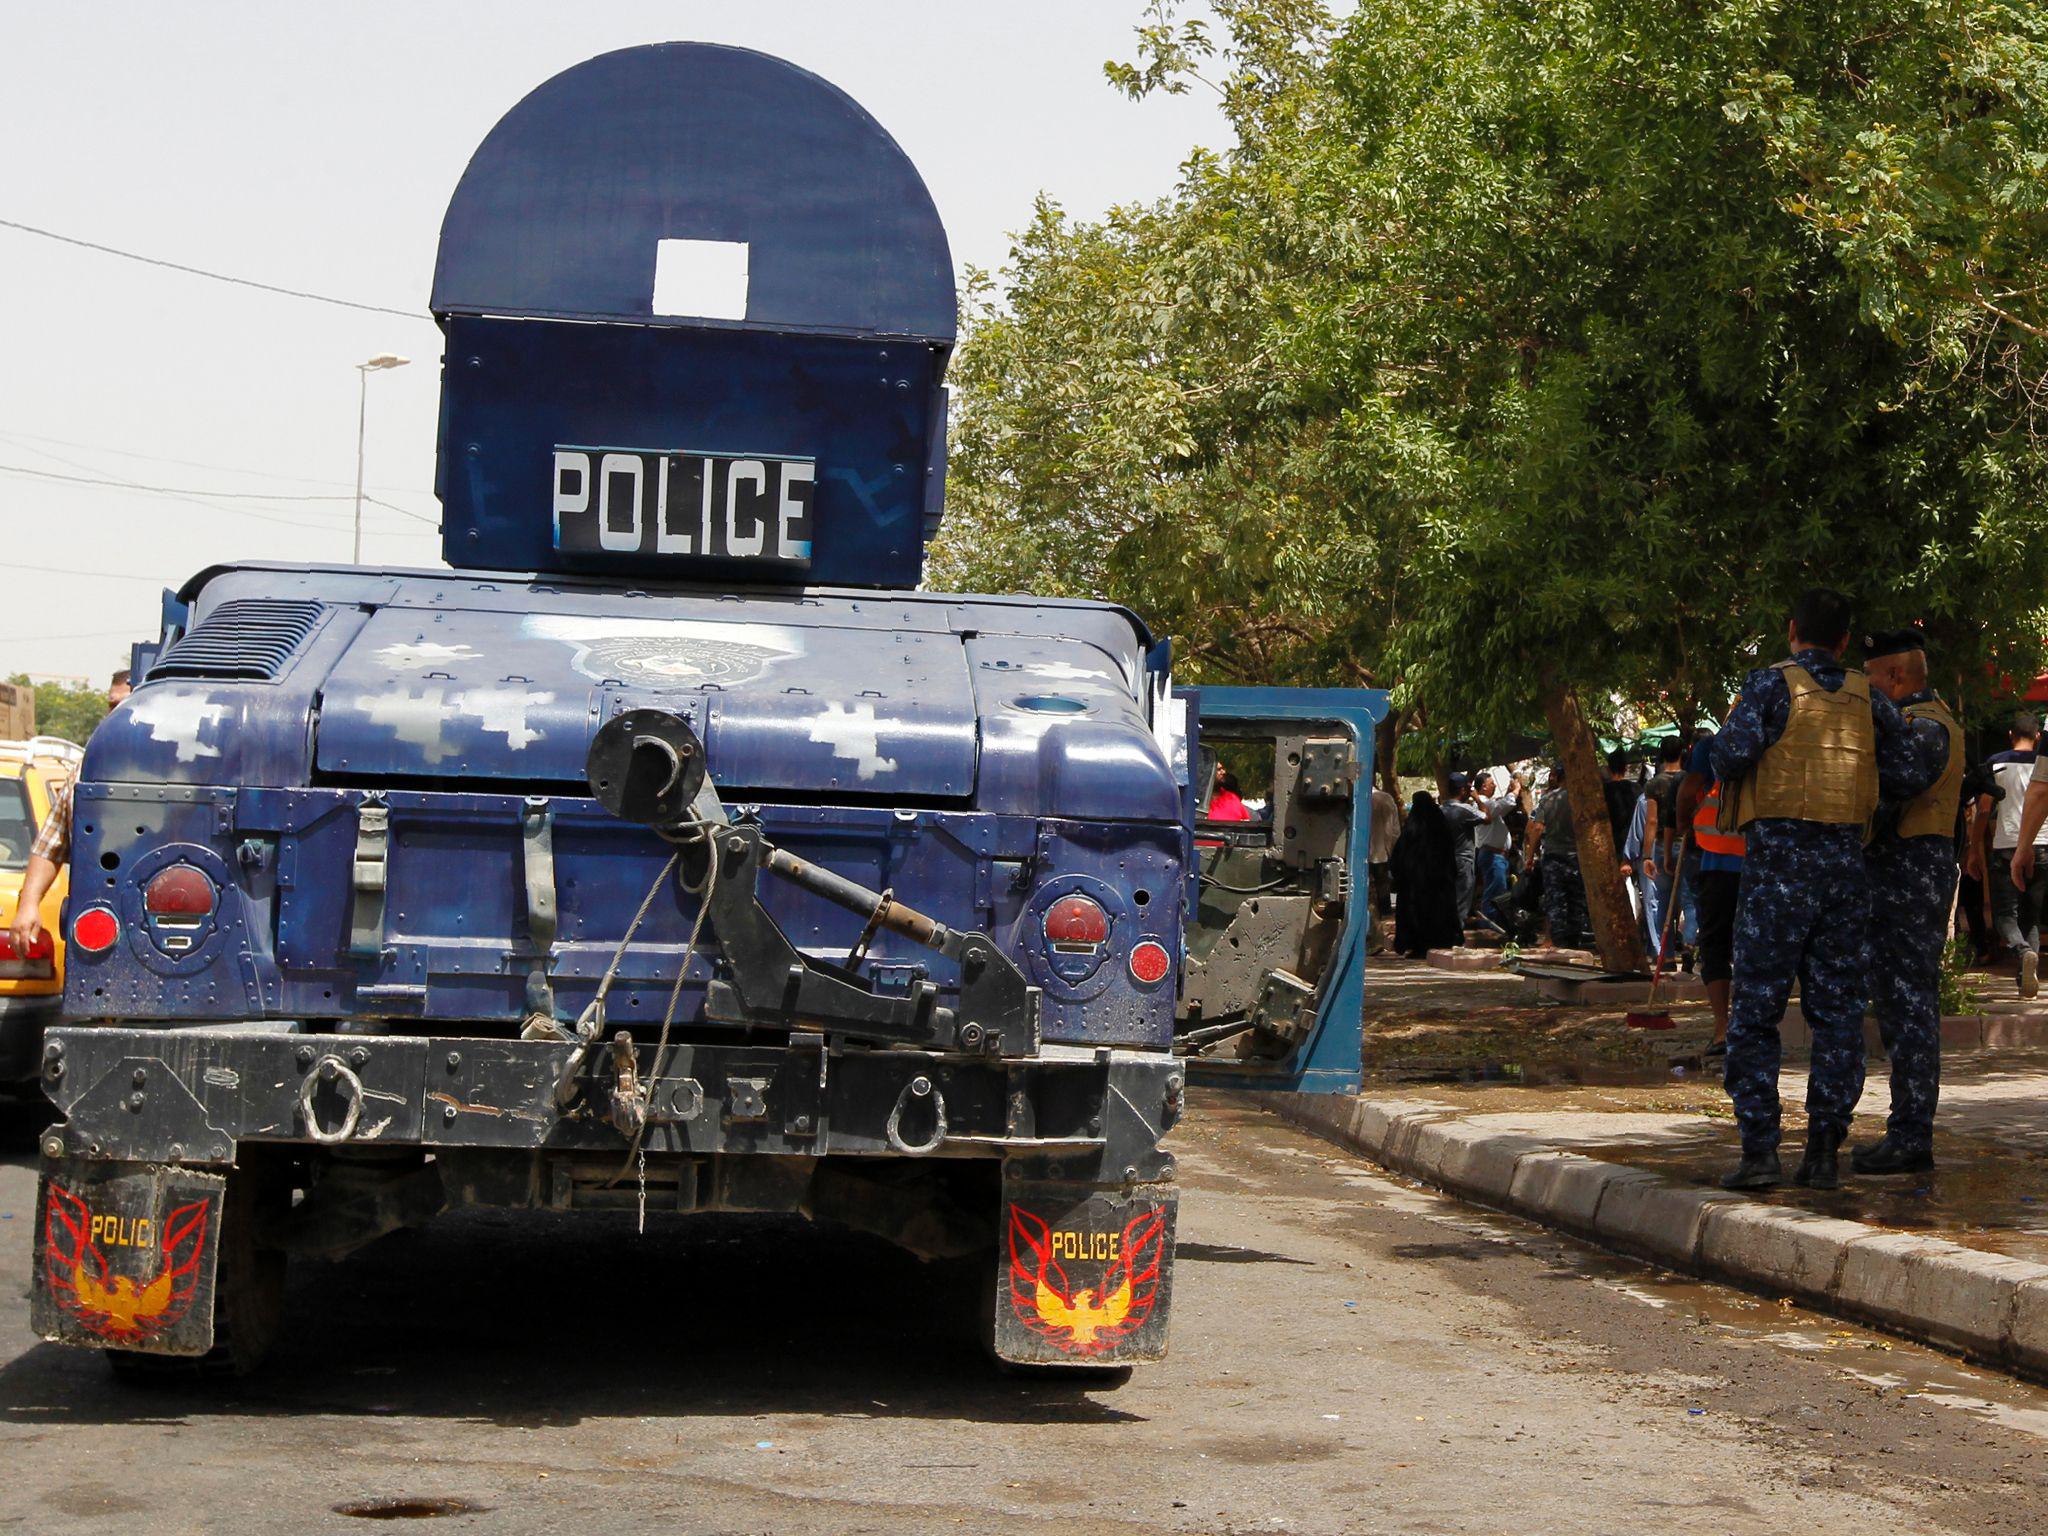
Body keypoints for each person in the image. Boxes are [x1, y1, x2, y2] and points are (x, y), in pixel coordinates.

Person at [1709, 588, 1937, 1192]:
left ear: (1792, 630)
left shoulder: (1768, 685)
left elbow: (1729, 758)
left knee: (1756, 1011)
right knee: (1836, 1014)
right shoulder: (1868, 697)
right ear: (1843, 641)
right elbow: (1913, 771)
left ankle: (1760, 1152)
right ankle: (1822, 1153)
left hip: (1777, 876)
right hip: (1844, 871)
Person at [1854, 628, 1962, 1175]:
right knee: (1898, 1009)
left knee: (1911, 1009)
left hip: (1910, 876)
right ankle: (1905, 1129)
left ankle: (1912, 1133)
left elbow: (1898, 780)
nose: (1867, 688)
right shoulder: (1917, 721)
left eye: (1872, 677)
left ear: (1895, 676)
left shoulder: (1926, 727)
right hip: (1901, 877)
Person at [8, 671, 127, 956]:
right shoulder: (84, 769)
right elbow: (50, 844)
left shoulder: (181, 765)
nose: (118, 713)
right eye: (113, 705)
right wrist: (28, 905)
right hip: (96, 923)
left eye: (128, 702)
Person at [1677, 721, 1744, 1052]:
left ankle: (1722, 1027)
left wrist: (1681, 822)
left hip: (1719, 861)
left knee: (1716, 944)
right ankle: (1747, 1026)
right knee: (1756, 946)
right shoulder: (1778, 746)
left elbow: (1689, 791)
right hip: (1765, 863)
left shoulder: (1712, 747)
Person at [1969, 715, 2047, 997]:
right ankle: (2029, 974)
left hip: (2007, 845)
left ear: (2011, 734)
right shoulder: (2044, 761)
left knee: (2004, 916)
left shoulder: (1996, 762)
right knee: (2032, 917)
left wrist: (1975, 848)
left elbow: (1985, 810)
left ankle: (2022, 951)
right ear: (2038, 736)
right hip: (2043, 846)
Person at [1524, 765, 1590, 950]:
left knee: (1555, 900)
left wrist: (1530, 856)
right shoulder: (1581, 799)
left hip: (1553, 857)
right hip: (1576, 857)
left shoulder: (1547, 799)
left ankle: (1558, 940)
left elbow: (1537, 828)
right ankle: (1574, 940)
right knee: (1576, 899)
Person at [1389, 791, 1462, 958]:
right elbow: (1449, 852)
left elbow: (1401, 853)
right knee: (1439, 911)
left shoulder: (1412, 826)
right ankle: (1441, 941)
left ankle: (1418, 946)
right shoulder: (1440, 824)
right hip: (1439, 881)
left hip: (1416, 883)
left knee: (1417, 912)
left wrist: (1400, 874)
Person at [1637, 739, 1686, 959]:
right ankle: (1690, 947)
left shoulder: (1654, 784)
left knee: (1662, 903)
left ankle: (1663, 955)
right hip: (1688, 845)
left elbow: (1652, 821)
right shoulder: (1690, 780)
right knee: (1691, 901)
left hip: (1660, 846)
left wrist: (1647, 855)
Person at [1439, 773, 1495, 931]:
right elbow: (1487, 818)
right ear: (1463, 790)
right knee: (1461, 903)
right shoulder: (1465, 810)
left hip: (1443, 861)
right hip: (1463, 862)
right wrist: (1478, 799)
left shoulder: (1440, 810)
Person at [1471, 771, 1513, 928]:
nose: (1495, 785)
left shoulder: (1485, 802)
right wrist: (1514, 793)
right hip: (1492, 855)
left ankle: (1494, 925)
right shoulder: (1482, 801)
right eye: (1492, 783)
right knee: (1494, 893)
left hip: (1496, 856)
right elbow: (1502, 807)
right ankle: (1489, 927)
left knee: (1498, 892)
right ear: (1483, 787)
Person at [1368, 781, 1401, 921]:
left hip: (1363, 853)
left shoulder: (1358, 799)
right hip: (1382, 851)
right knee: (1383, 883)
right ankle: (1385, 912)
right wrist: (1392, 849)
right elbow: (1394, 830)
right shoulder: (1386, 799)